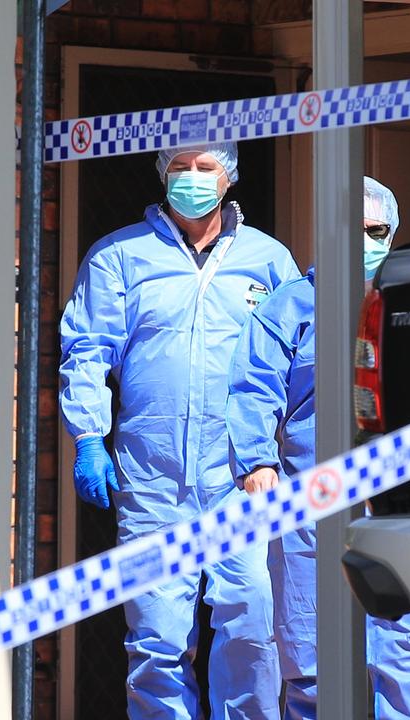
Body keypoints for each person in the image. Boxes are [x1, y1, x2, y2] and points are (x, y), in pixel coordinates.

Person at [59, 141, 299, 719]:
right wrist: (90, 436)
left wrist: (286, 454)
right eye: (180, 167)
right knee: (157, 643)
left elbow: (299, 361)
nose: (192, 177)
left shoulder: (268, 260)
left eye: (206, 166)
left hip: (243, 476)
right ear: (161, 173)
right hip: (153, 479)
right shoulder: (119, 256)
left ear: (229, 176)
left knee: (250, 631)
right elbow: (86, 350)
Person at [226, 177, 410, 720]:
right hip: (313, 509)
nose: (368, 241)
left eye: (378, 231)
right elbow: (253, 386)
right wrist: (257, 461)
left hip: (405, 503)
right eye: (357, 230)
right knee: (313, 662)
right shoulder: (289, 308)